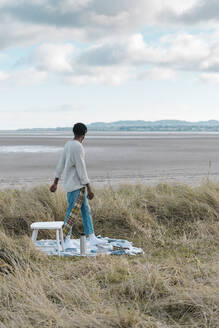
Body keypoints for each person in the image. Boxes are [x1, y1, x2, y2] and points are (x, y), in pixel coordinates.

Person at [50, 122, 103, 247]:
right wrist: (89, 188)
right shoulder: (78, 146)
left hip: (71, 184)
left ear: (74, 132)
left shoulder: (68, 144)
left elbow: (60, 163)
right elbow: (81, 168)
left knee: (85, 209)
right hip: (76, 186)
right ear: (84, 135)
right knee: (72, 212)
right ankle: (66, 239)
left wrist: (55, 182)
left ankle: (91, 236)